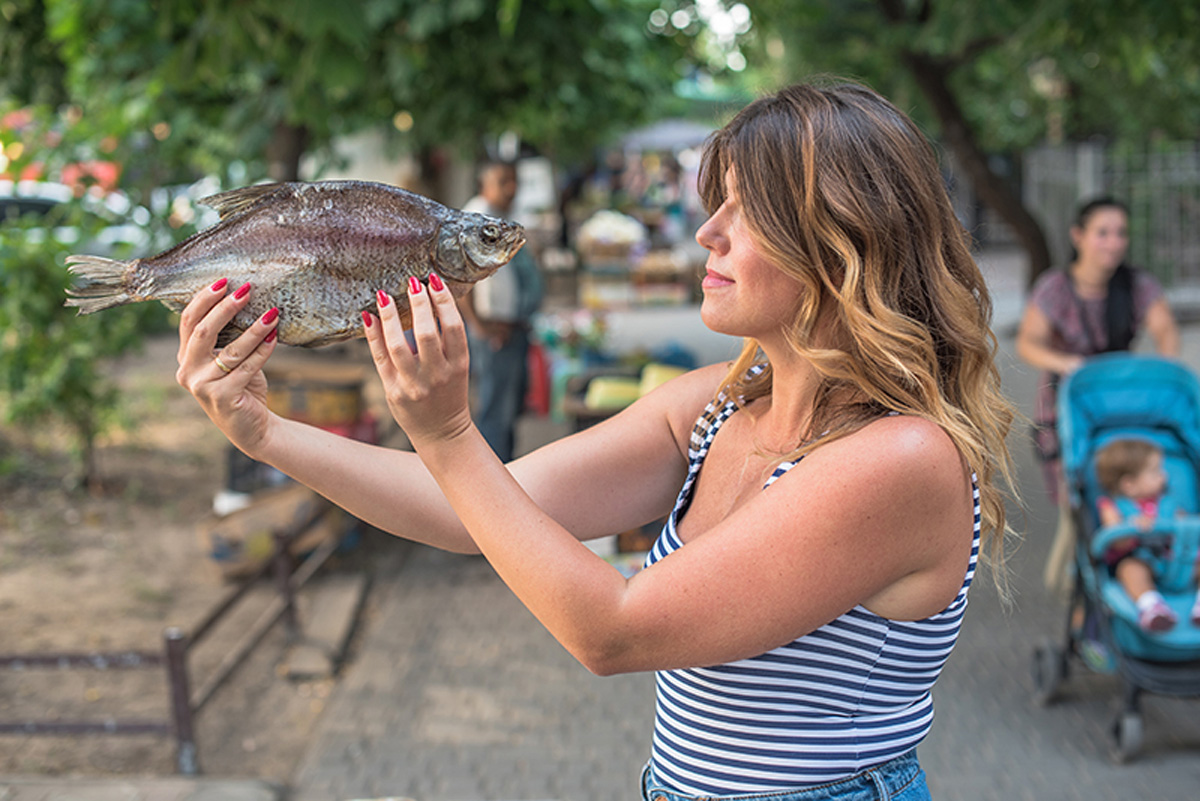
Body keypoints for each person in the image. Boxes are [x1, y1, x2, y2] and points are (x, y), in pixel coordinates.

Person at [175, 79, 1017, 800]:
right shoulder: (716, 406)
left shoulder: (902, 459)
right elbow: (475, 511)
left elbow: (613, 631)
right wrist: (267, 433)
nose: (706, 233)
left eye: (746, 210)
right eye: (711, 202)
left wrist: (448, 430)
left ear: (845, 239)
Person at [1016, 197, 1181, 504]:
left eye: (1121, 233)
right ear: (1078, 236)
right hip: (1068, 401)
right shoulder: (1054, 288)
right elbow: (1028, 342)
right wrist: (1065, 363)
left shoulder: (1137, 283)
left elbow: (1165, 329)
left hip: (1120, 399)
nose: (1114, 243)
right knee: (1080, 495)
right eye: (1103, 233)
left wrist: (1164, 368)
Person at [459, 159, 544, 462]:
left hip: (511, 328)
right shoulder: (474, 219)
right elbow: (459, 278)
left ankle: (504, 471)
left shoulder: (500, 216)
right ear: (485, 184)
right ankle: (495, 481)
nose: (512, 188)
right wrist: (480, 325)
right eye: (503, 182)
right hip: (495, 331)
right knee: (496, 408)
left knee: (508, 407)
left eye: (514, 180)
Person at [1094, 438, 1200, 631]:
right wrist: (1131, 526)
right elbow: (1116, 540)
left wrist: (1184, 525)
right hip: (1140, 560)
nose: (1164, 477)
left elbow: (1183, 523)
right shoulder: (1112, 506)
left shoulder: (1166, 502)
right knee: (1129, 569)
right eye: (1155, 472)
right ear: (1129, 485)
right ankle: (1151, 606)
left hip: (1173, 561)